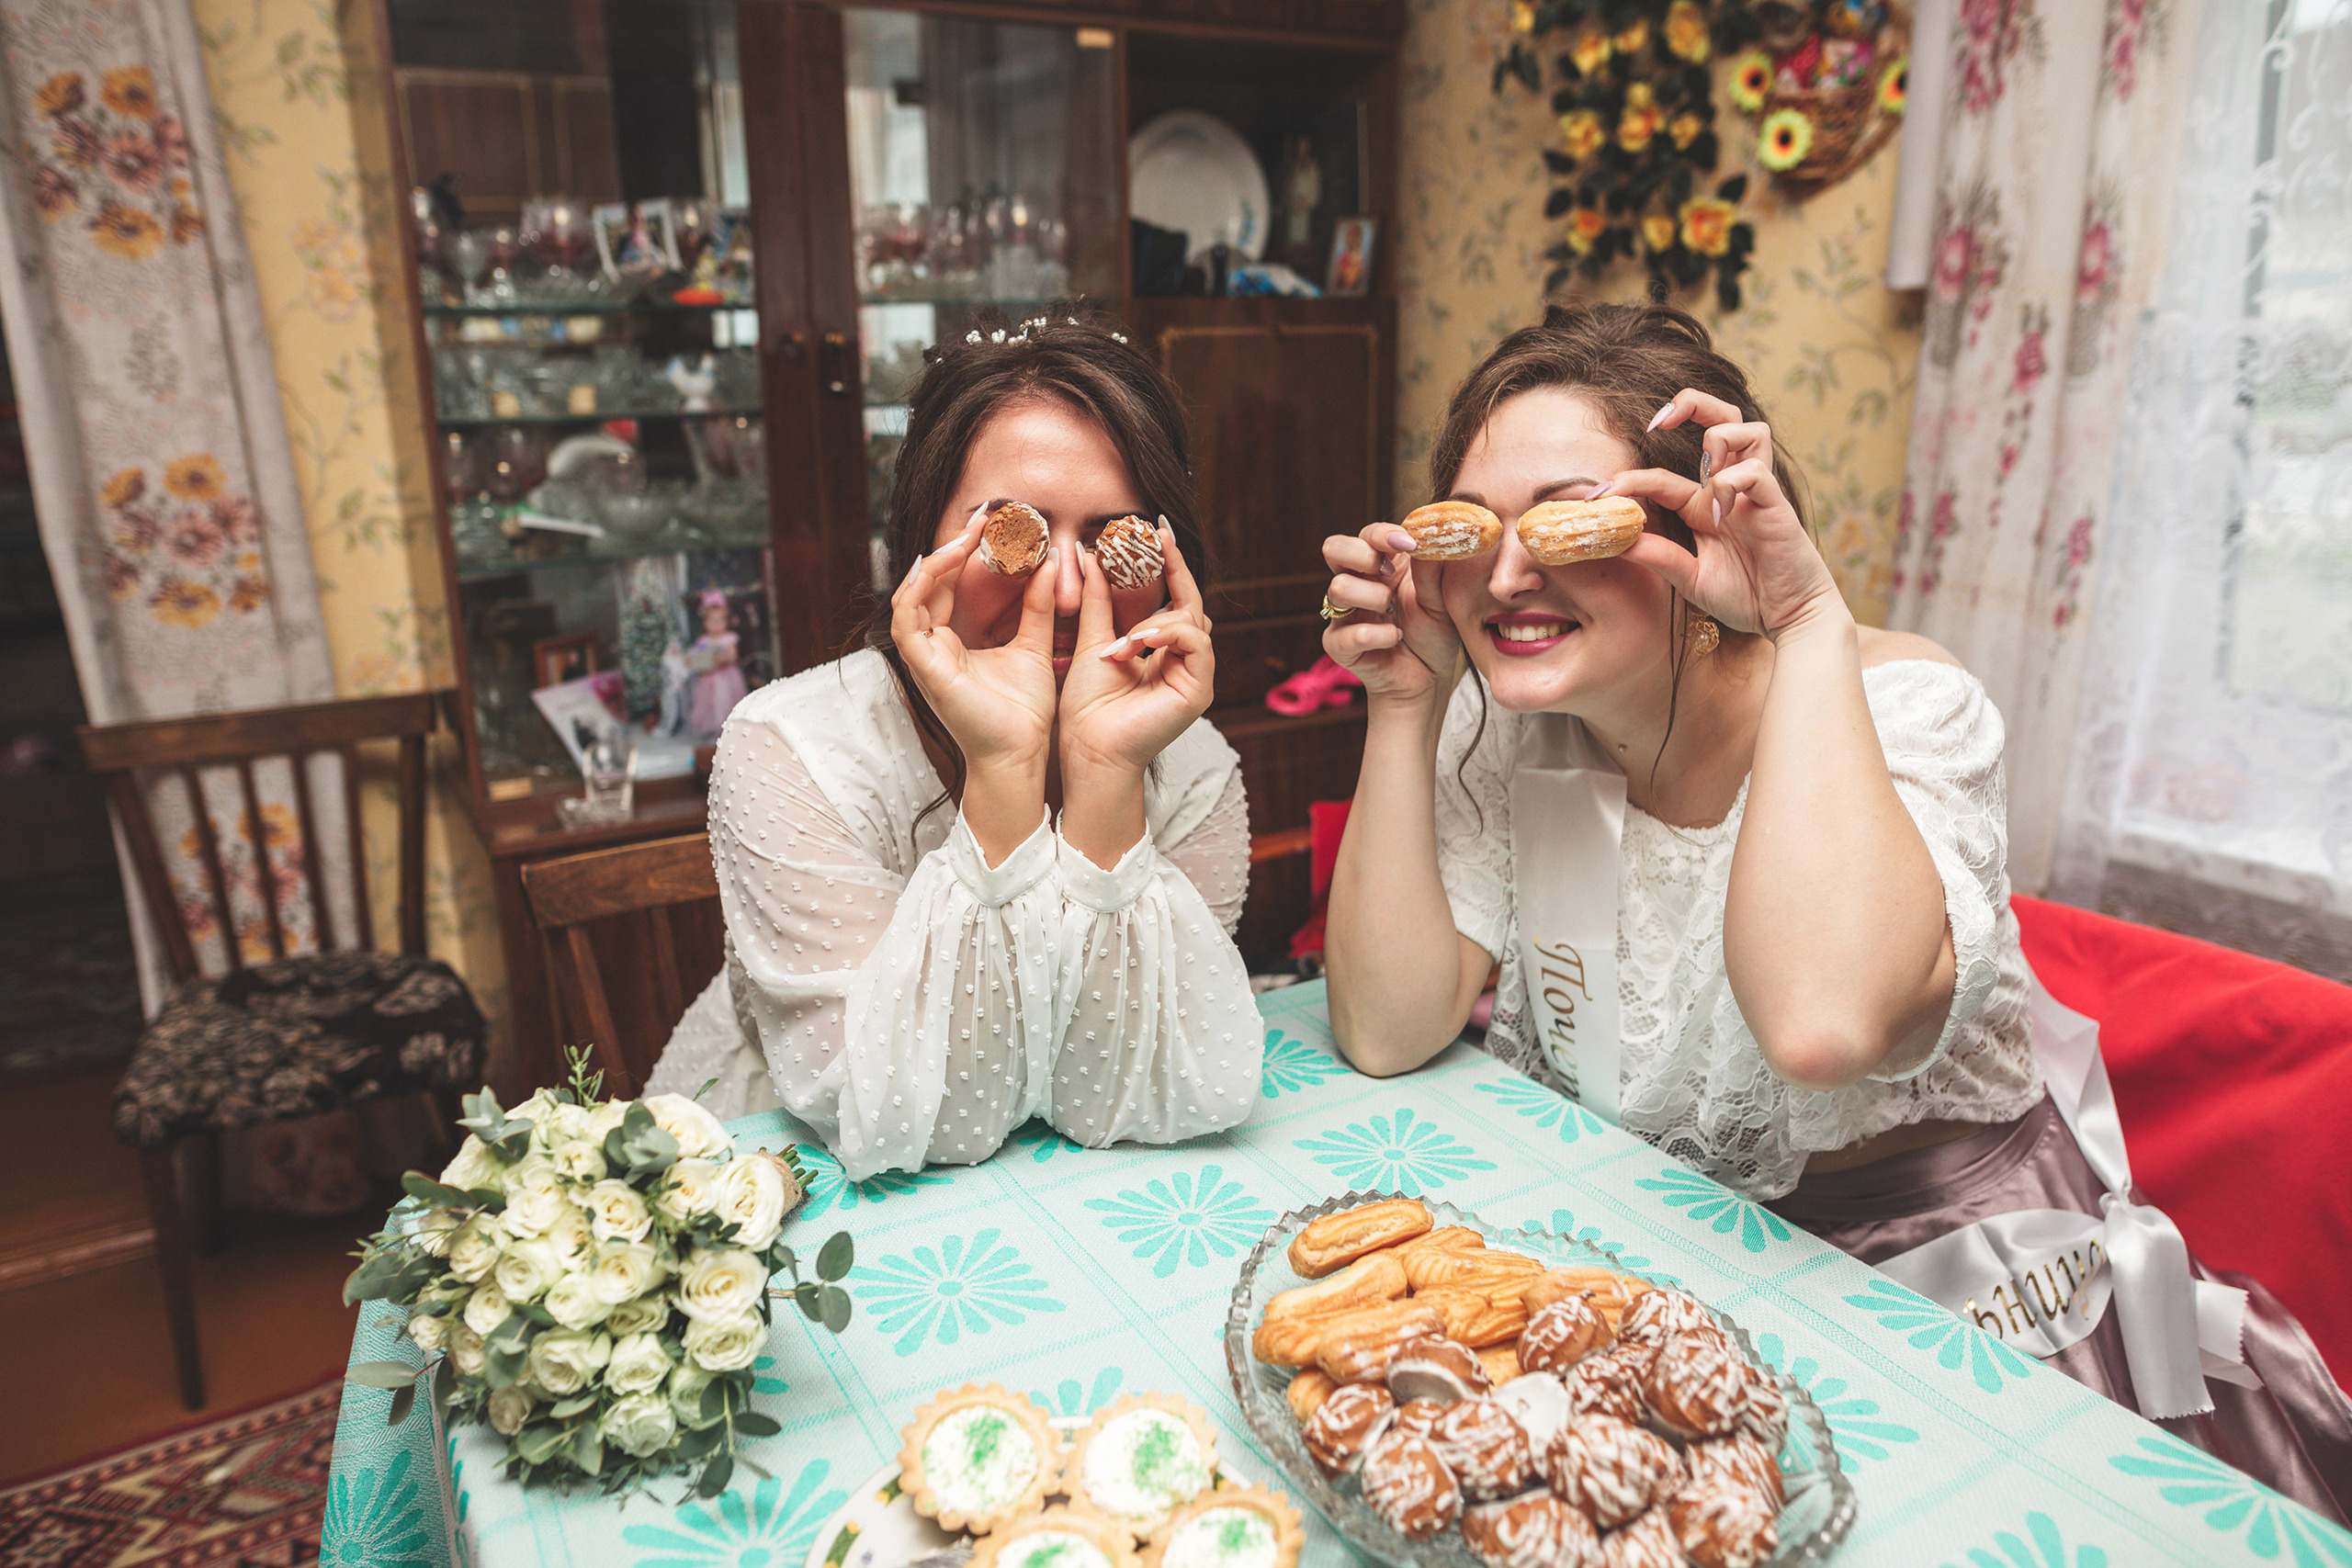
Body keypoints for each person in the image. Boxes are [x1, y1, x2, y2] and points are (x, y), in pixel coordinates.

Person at [1317, 303, 2350, 1518]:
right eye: (1472, 530)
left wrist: (1803, 617)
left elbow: (1822, 1024)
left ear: (1690, 519)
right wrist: (1402, 707)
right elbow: (1387, 1029)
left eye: (1563, 515)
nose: (1502, 575)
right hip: (1664, 1261)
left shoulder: (1904, 702)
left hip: (1950, 1298)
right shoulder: (1516, 726)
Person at [646, 308, 1261, 1179]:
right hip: (782, 1170)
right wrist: (1007, 770)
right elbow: (917, 1125)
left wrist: (1104, 775)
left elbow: (1126, 1099)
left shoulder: (1192, 769)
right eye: (1016, 532)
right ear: (921, 538)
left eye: (1114, 539)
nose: (1062, 582)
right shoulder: (791, 748)